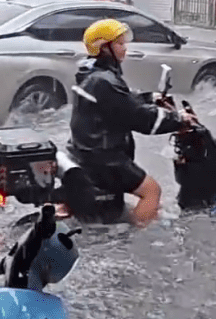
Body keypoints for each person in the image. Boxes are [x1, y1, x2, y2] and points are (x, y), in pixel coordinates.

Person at [64, 19, 195, 226]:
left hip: (86, 152)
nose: (125, 49)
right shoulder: (104, 81)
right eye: (119, 44)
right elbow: (139, 118)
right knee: (152, 192)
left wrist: (150, 99)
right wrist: (179, 120)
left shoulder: (93, 74)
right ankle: (133, 239)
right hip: (103, 158)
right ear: (104, 48)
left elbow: (119, 103)